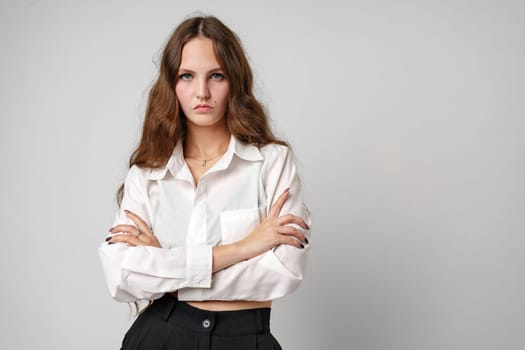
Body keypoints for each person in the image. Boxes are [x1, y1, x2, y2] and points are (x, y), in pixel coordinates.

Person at [99, 15, 311, 350]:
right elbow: (122, 276)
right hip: (160, 335)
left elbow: (284, 272)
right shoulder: (148, 173)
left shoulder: (271, 162)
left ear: (234, 81)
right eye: (187, 76)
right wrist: (245, 248)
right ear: (171, 84)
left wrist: (167, 268)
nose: (202, 92)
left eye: (216, 76)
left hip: (244, 338)